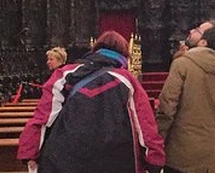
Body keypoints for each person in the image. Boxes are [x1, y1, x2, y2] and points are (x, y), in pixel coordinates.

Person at [17, 31, 165, 173]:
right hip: (117, 159)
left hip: (69, 158)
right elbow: (144, 125)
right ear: (124, 54)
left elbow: (44, 117)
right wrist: (154, 160)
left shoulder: (65, 74)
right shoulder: (127, 81)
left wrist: (30, 152)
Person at [156, 20, 215, 173]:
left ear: (203, 42)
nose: (192, 30)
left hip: (182, 153)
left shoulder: (182, 65)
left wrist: (158, 143)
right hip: (213, 156)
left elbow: (167, 108)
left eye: (198, 30)